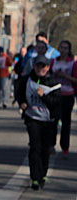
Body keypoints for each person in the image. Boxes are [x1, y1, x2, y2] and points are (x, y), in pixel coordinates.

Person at [16, 55, 62, 189]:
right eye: (37, 66)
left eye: (43, 66)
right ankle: (34, 177)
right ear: (34, 66)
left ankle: (42, 174)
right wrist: (22, 103)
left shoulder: (53, 83)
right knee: (35, 147)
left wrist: (44, 96)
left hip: (48, 121)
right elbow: (19, 93)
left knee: (45, 149)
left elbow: (56, 103)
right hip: (32, 118)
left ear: (48, 68)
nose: (40, 69)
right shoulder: (27, 80)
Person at [50, 40, 76, 155]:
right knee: (54, 120)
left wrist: (64, 75)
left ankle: (65, 147)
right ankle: (51, 145)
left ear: (69, 50)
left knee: (66, 122)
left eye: (66, 48)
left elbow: (76, 80)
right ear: (59, 49)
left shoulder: (73, 63)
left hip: (68, 94)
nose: (63, 50)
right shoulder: (53, 61)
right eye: (61, 48)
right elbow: (48, 75)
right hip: (55, 94)